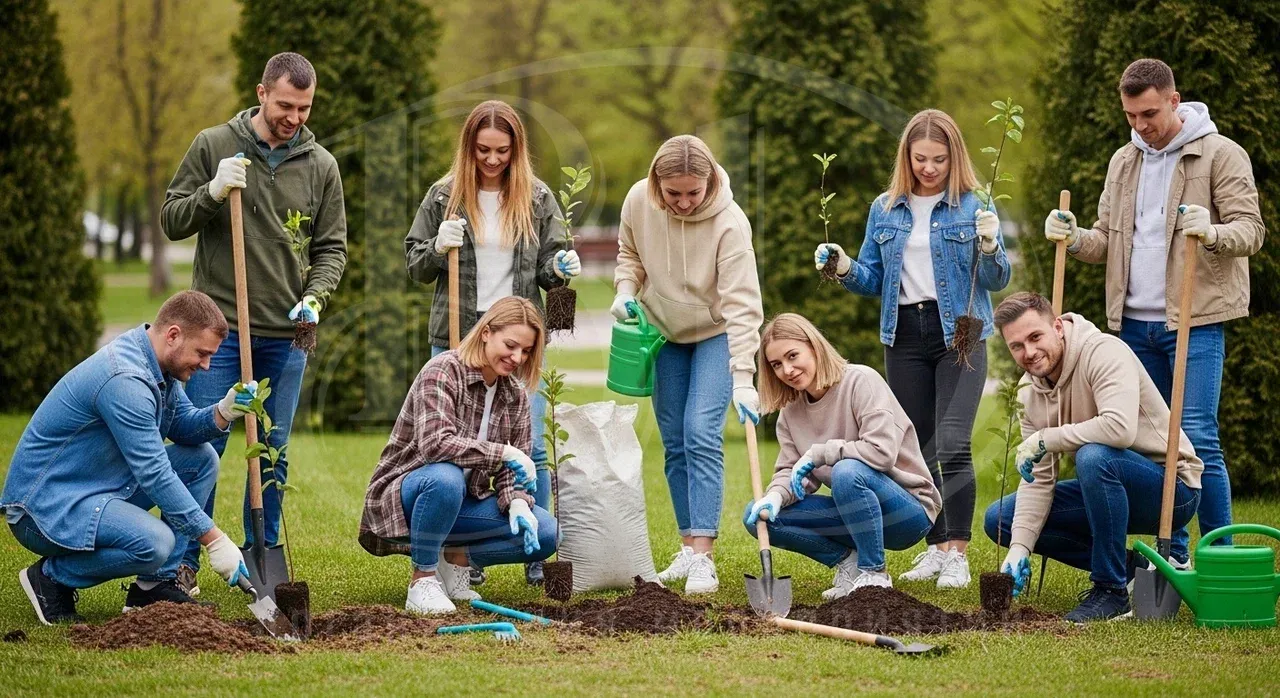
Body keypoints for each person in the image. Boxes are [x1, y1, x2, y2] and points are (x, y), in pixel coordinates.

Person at [1043, 58, 1263, 555]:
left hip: (1193, 321)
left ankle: (1221, 554)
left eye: (1149, 115)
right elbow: (1104, 240)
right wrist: (1073, 238)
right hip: (1130, 329)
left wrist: (1211, 232)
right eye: (1130, 117)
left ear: (1173, 101)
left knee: (1198, 440)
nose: (1141, 127)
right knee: (1149, 444)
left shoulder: (1221, 155)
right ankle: (1173, 552)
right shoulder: (1124, 161)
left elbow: (1252, 231)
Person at [161, 51, 348, 596]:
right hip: (217, 335)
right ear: (261, 92)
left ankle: (260, 552)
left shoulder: (321, 166)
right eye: (286, 105)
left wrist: (315, 296)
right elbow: (173, 219)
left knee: (273, 449)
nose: (295, 118)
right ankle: (179, 563)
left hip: (287, 335)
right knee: (202, 444)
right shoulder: (213, 145)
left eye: (305, 108)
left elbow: (331, 247)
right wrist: (212, 192)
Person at [814, 109, 1010, 589]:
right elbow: (875, 279)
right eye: (920, 159)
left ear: (954, 158)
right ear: (907, 156)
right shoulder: (886, 208)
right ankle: (935, 547)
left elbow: (997, 279)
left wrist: (989, 246)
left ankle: (958, 552)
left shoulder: (974, 205)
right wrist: (842, 267)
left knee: (953, 441)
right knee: (916, 447)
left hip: (959, 333)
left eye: (939, 160)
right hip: (903, 334)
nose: (929, 168)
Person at [3, 292, 259, 624]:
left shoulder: (155, 364)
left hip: (90, 489)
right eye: (202, 353)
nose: (207, 365)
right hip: (43, 509)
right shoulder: (126, 379)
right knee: (155, 542)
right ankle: (51, 579)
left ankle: (153, 586)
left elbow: (182, 428)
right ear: (173, 335)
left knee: (201, 459)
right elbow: (154, 472)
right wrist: (213, 539)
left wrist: (224, 412)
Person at [404, 100, 576, 586]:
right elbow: (415, 265)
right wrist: (438, 246)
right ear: (469, 147)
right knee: (451, 451)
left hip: (517, 336)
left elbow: (551, 268)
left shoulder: (538, 198)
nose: (493, 160)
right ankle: (460, 553)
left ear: (516, 149)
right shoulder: (444, 197)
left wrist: (562, 273)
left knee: (531, 448)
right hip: (460, 336)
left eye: (502, 151)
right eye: (483, 150)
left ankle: (534, 546)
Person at [983, 292, 1202, 623]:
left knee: (1094, 456)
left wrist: (1047, 438)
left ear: (1057, 326)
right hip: (1106, 489)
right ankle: (1135, 569)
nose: (1029, 352)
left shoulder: (1103, 352)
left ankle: (1111, 591)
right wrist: (1019, 548)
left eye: (1035, 337)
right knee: (1001, 518)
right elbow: (1039, 479)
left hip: (1171, 490)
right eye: (1017, 346)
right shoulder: (1029, 392)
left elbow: (1119, 430)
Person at [612, 135, 764, 595]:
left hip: (716, 333)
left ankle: (703, 555)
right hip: (664, 332)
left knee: (701, 431)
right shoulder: (639, 199)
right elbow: (630, 254)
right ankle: (685, 545)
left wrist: (743, 377)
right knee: (674, 441)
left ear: (710, 181)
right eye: (672, 193)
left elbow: (741, 304)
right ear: (657, 185)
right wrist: (623, 290)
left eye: (692, 193)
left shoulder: (730, 224)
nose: (682, 202)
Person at [359, 297, 557, 614]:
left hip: (463, 500)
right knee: (446, 478)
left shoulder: (514, 394)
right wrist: (503, 452)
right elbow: (435, 445)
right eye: (510, 345)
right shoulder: (443, 371)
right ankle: (422, 580)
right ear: (486, 332)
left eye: (526, 351)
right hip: (412, 494)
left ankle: (455, 560)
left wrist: (517, 500)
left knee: (546, 531)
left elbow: (511, 471)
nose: (517, 357)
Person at [742, 314, 940, 599]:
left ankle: (874, 575)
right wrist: (776, 496)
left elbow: (881, 453)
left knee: (846, 471)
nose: (787, 369)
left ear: (814, 346)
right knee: (755, 515)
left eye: (792, 355)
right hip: (854, 513)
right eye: (776, 365)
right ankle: (849, 563)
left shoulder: (861, 381)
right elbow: (792, 472)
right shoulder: (790, 413)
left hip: (907, 512)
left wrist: (821, 453)